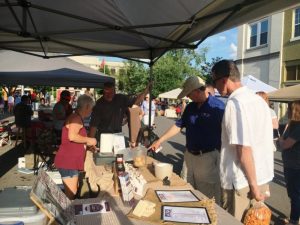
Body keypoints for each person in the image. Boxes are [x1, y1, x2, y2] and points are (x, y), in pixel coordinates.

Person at [211, 59, 274, 221]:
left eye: (214, 81)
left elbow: (243, 148)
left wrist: (253, 186)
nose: (214, 86)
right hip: (259, 176)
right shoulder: (260, 101)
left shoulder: (235, 104)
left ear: (224, 80)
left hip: (242, 181)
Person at [149, 76, 225, 204]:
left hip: (208, 157)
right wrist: (159, 140)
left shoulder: (218, 107)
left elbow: (227, 133)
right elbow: (178, 125)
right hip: (189, 156)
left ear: (197, 90)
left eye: (189, 94)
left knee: (207, 196)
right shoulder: (190, 107)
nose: (188, 97)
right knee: (185, 188)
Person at [54, 95, 97, 200]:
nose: (91, 111)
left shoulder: (76, 117)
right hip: (68, 161)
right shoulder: (76, 118)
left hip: (70, 161)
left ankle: (64, 212)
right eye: (91, 108)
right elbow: (72, 136)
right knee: (71, 192)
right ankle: (63, 214)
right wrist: (89, 140)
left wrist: (86, 146)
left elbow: (74, 140)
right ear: (87, 106)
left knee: (72, 190)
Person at [279, 101, 300, 225]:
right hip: (290, 165)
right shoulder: (292, 125)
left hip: (296, 166)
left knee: (295, 194)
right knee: (293, 194)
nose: (286, 111)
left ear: (294, 111)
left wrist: (281, 141)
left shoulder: (298, 127)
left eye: (288, 109)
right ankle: (295, 216)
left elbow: (286, 144)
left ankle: (294, 220)